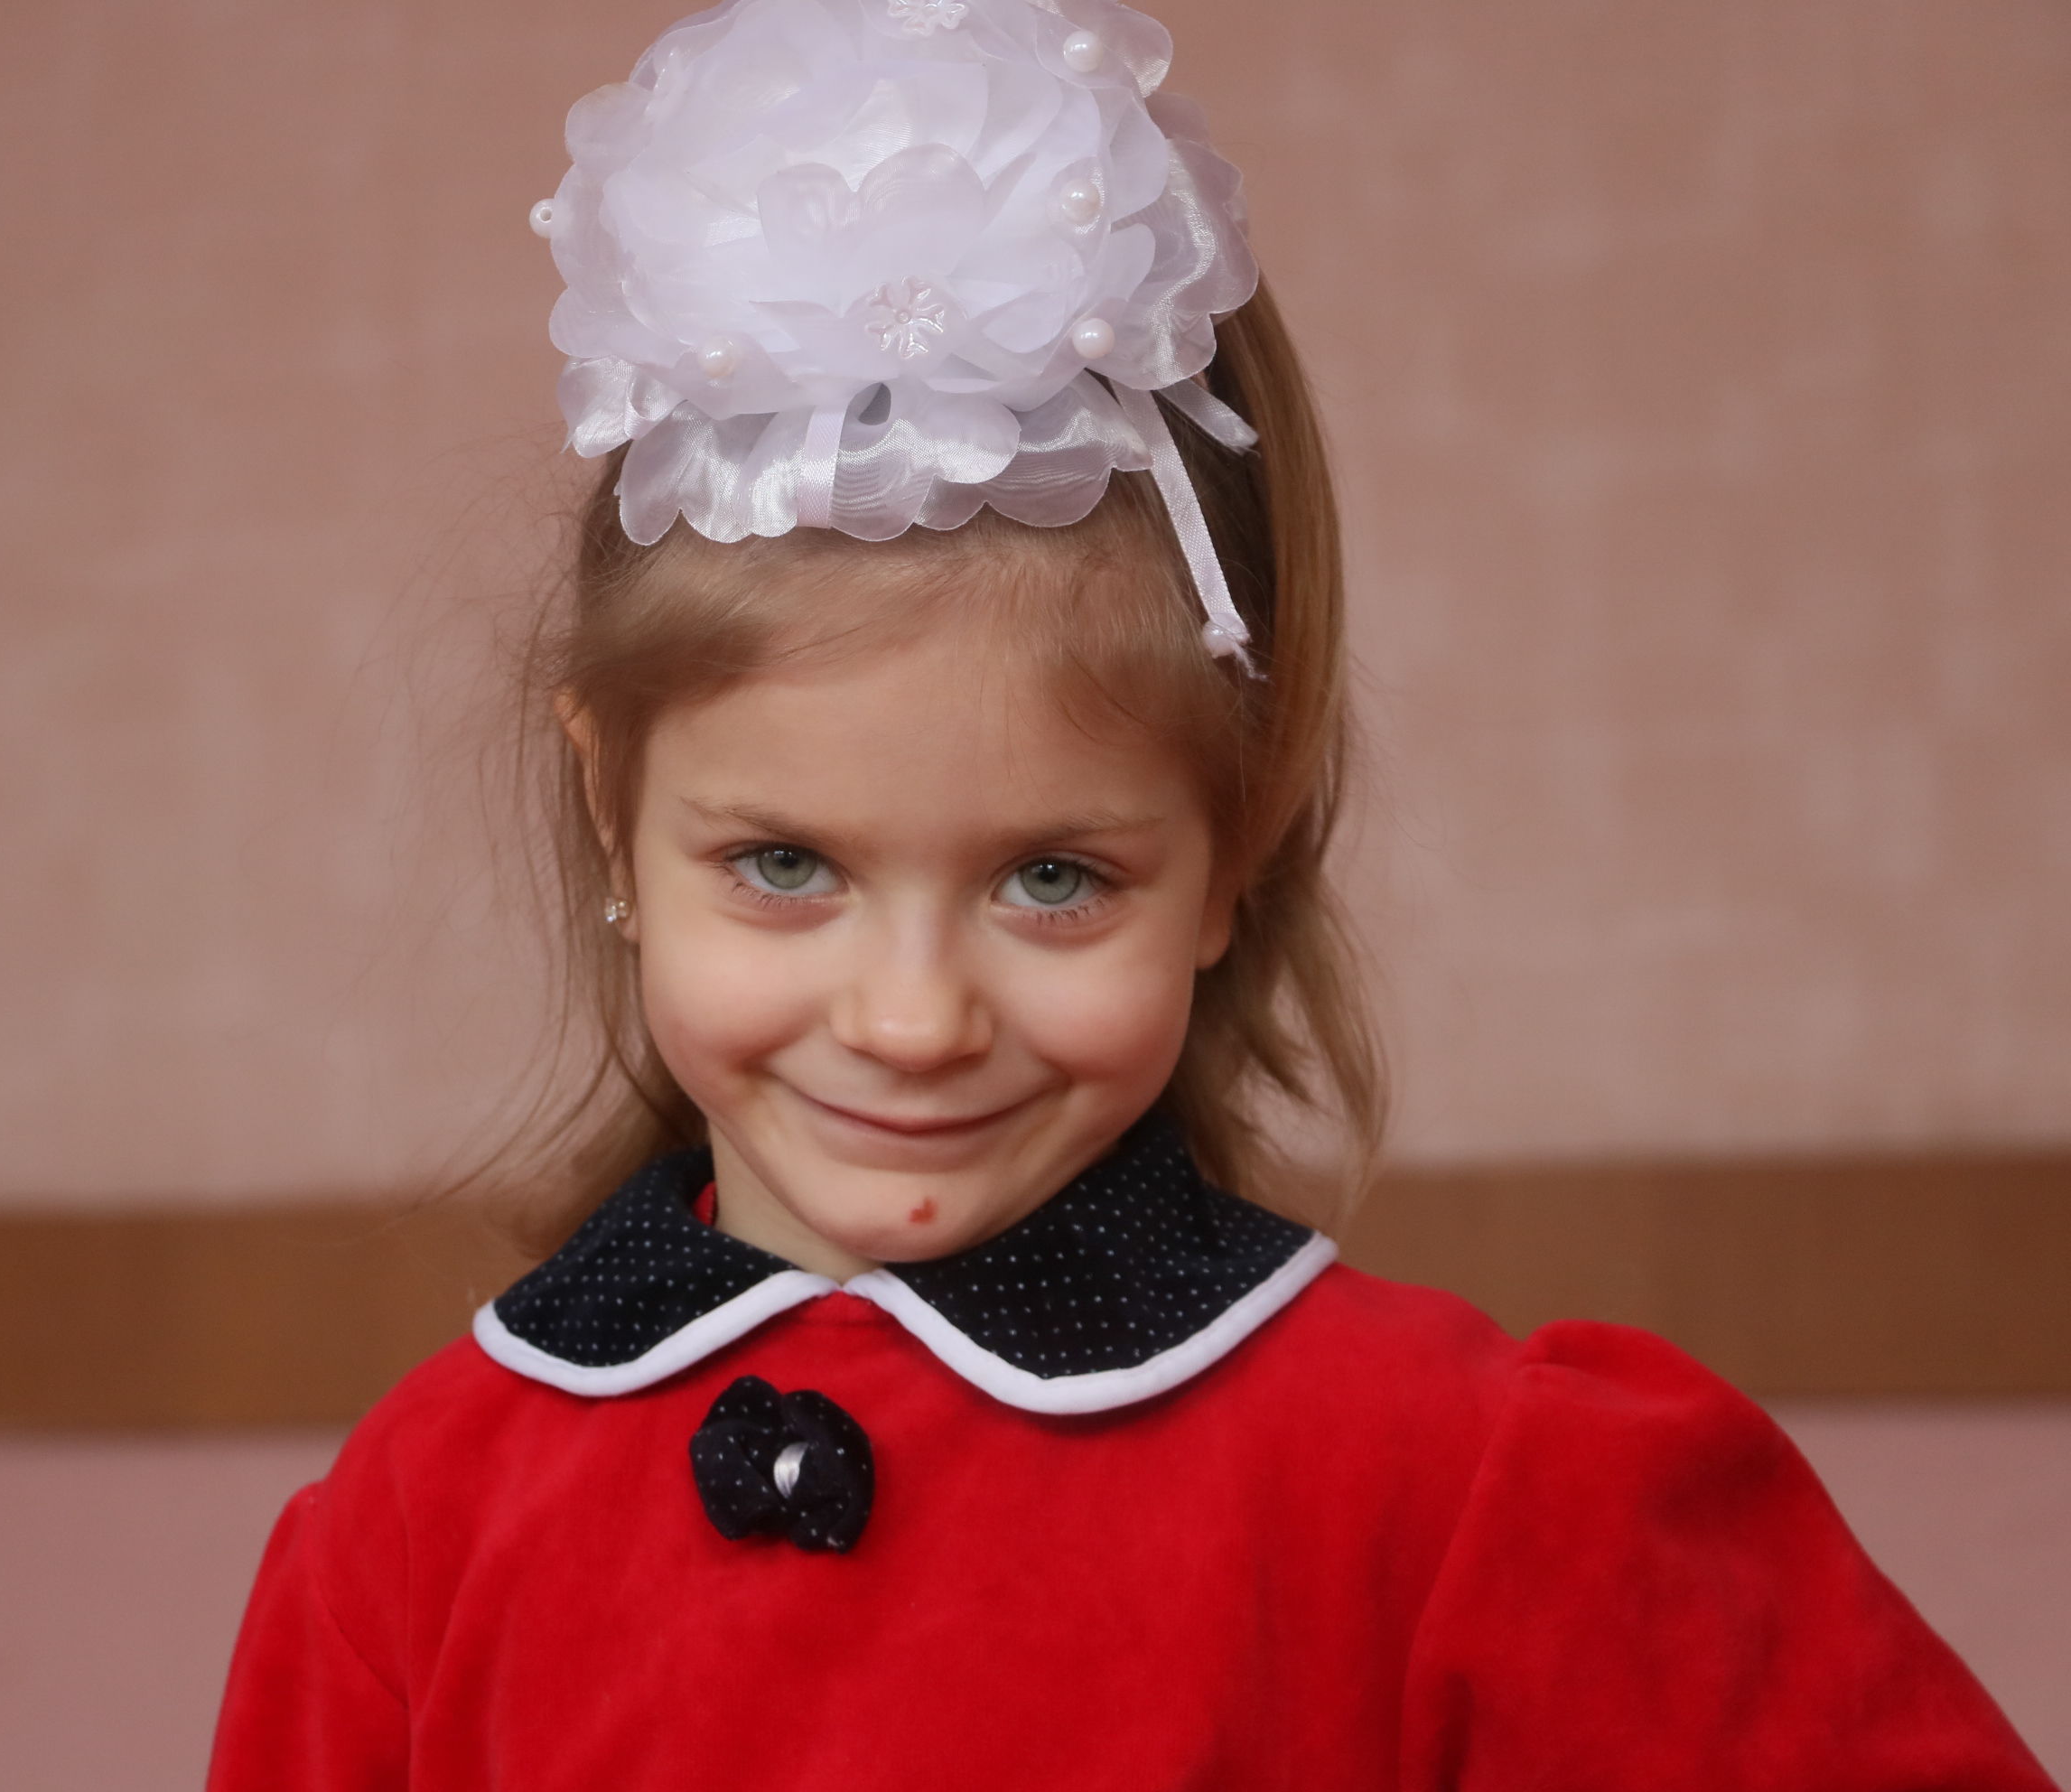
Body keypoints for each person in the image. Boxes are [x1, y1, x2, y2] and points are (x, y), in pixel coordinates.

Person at [208, 1, 2054, 1784]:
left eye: (1051, 878)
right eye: (785, 864)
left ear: (1237, 849)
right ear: (613, 813)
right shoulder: (412, 1533)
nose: (912, 1019)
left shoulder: (1457, 1486)